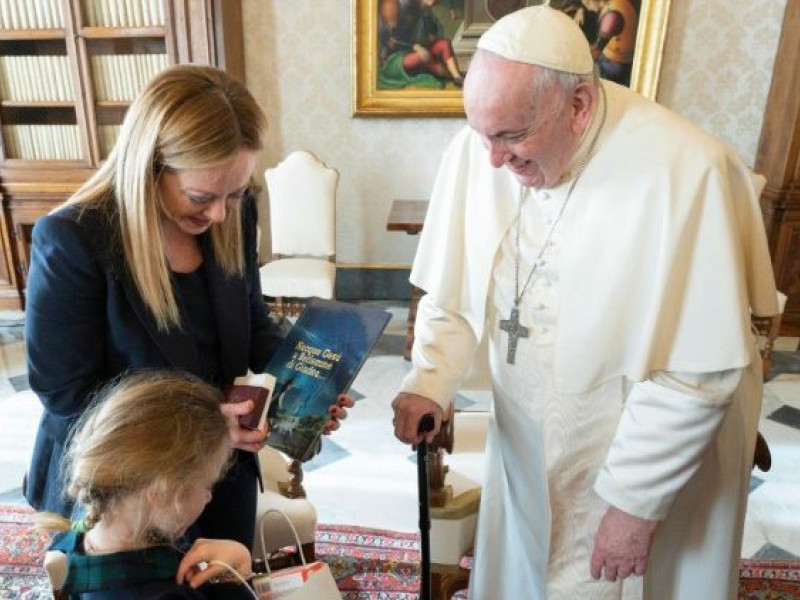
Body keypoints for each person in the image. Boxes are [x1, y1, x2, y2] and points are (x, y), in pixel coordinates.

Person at [390, 6, 779, 599]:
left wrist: (634, 503)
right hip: (528, 435)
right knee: (528, 563)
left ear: (578, 106)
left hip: (644, 446)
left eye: (513, 137)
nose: (494, 160)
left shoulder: (685, 171)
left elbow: (698, 372)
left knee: (629, 577)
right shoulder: (486, 145)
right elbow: (453, 285)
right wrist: (431, 376)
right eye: (483, 135)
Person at [24, 64, 352, 550]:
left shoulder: (231, 216)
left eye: (234, 193)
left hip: (217, 475)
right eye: (201, 196)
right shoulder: (74, 240)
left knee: (223, 579)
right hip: (125, 491)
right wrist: (202, 427)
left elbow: (252, 328)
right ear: (149, 167)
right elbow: (68, 395)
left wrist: (304, 384)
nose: (220, 213)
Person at [37, 371, 256, 599]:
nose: (209, 496)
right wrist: (237, 574)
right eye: (207, 485)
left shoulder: (74, 538)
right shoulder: (165, 594)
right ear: (164, 494)